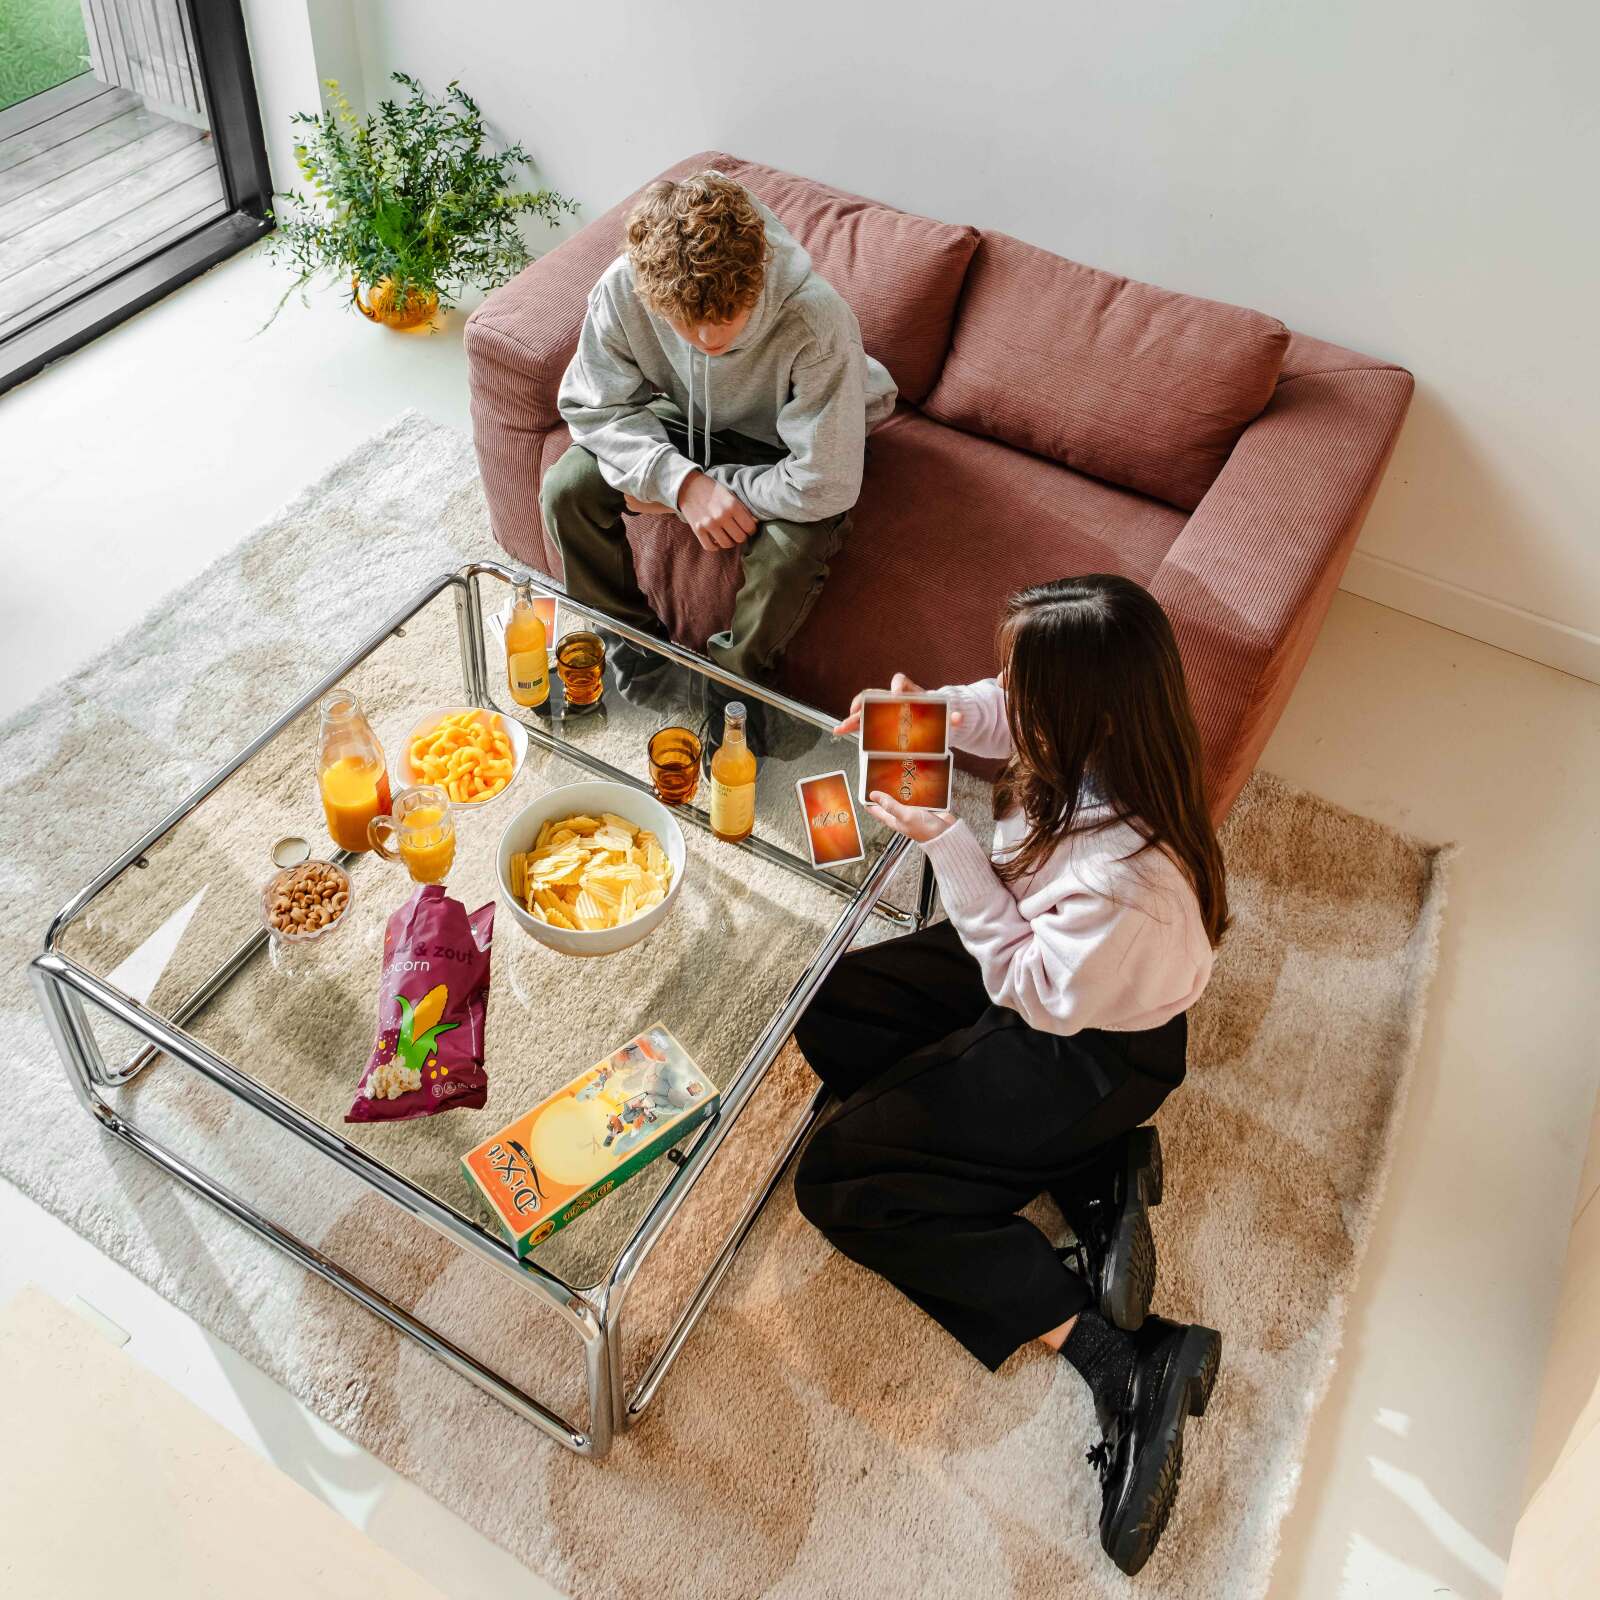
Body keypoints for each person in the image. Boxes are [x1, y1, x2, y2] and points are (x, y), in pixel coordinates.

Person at [793, 574, 1228, 1577]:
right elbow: (997, 706)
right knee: (828, 1000)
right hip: (1056, 975)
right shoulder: (1107, 737)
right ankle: (1086, 1175)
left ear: (1087, 712)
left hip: (1084, 1043)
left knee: (841, 1179)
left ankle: (1123, 1361)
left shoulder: (1128, 878)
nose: (1005, 702)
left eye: (1024, 690)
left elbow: (1028, 990)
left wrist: (945, 836)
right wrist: (929, 713)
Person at [542, 170, 896, 749]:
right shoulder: (624, 288)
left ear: (755, 279)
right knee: (568, 488)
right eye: (685, 323)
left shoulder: (817, 320)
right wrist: (679, 485)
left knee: (790, 554)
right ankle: (637, 652)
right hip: (682, 418)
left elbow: (825, 483)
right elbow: (591, 406)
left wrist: (709, 485)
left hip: (790, 444)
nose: (706, 338)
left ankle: (734, 693)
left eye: (726, 318)